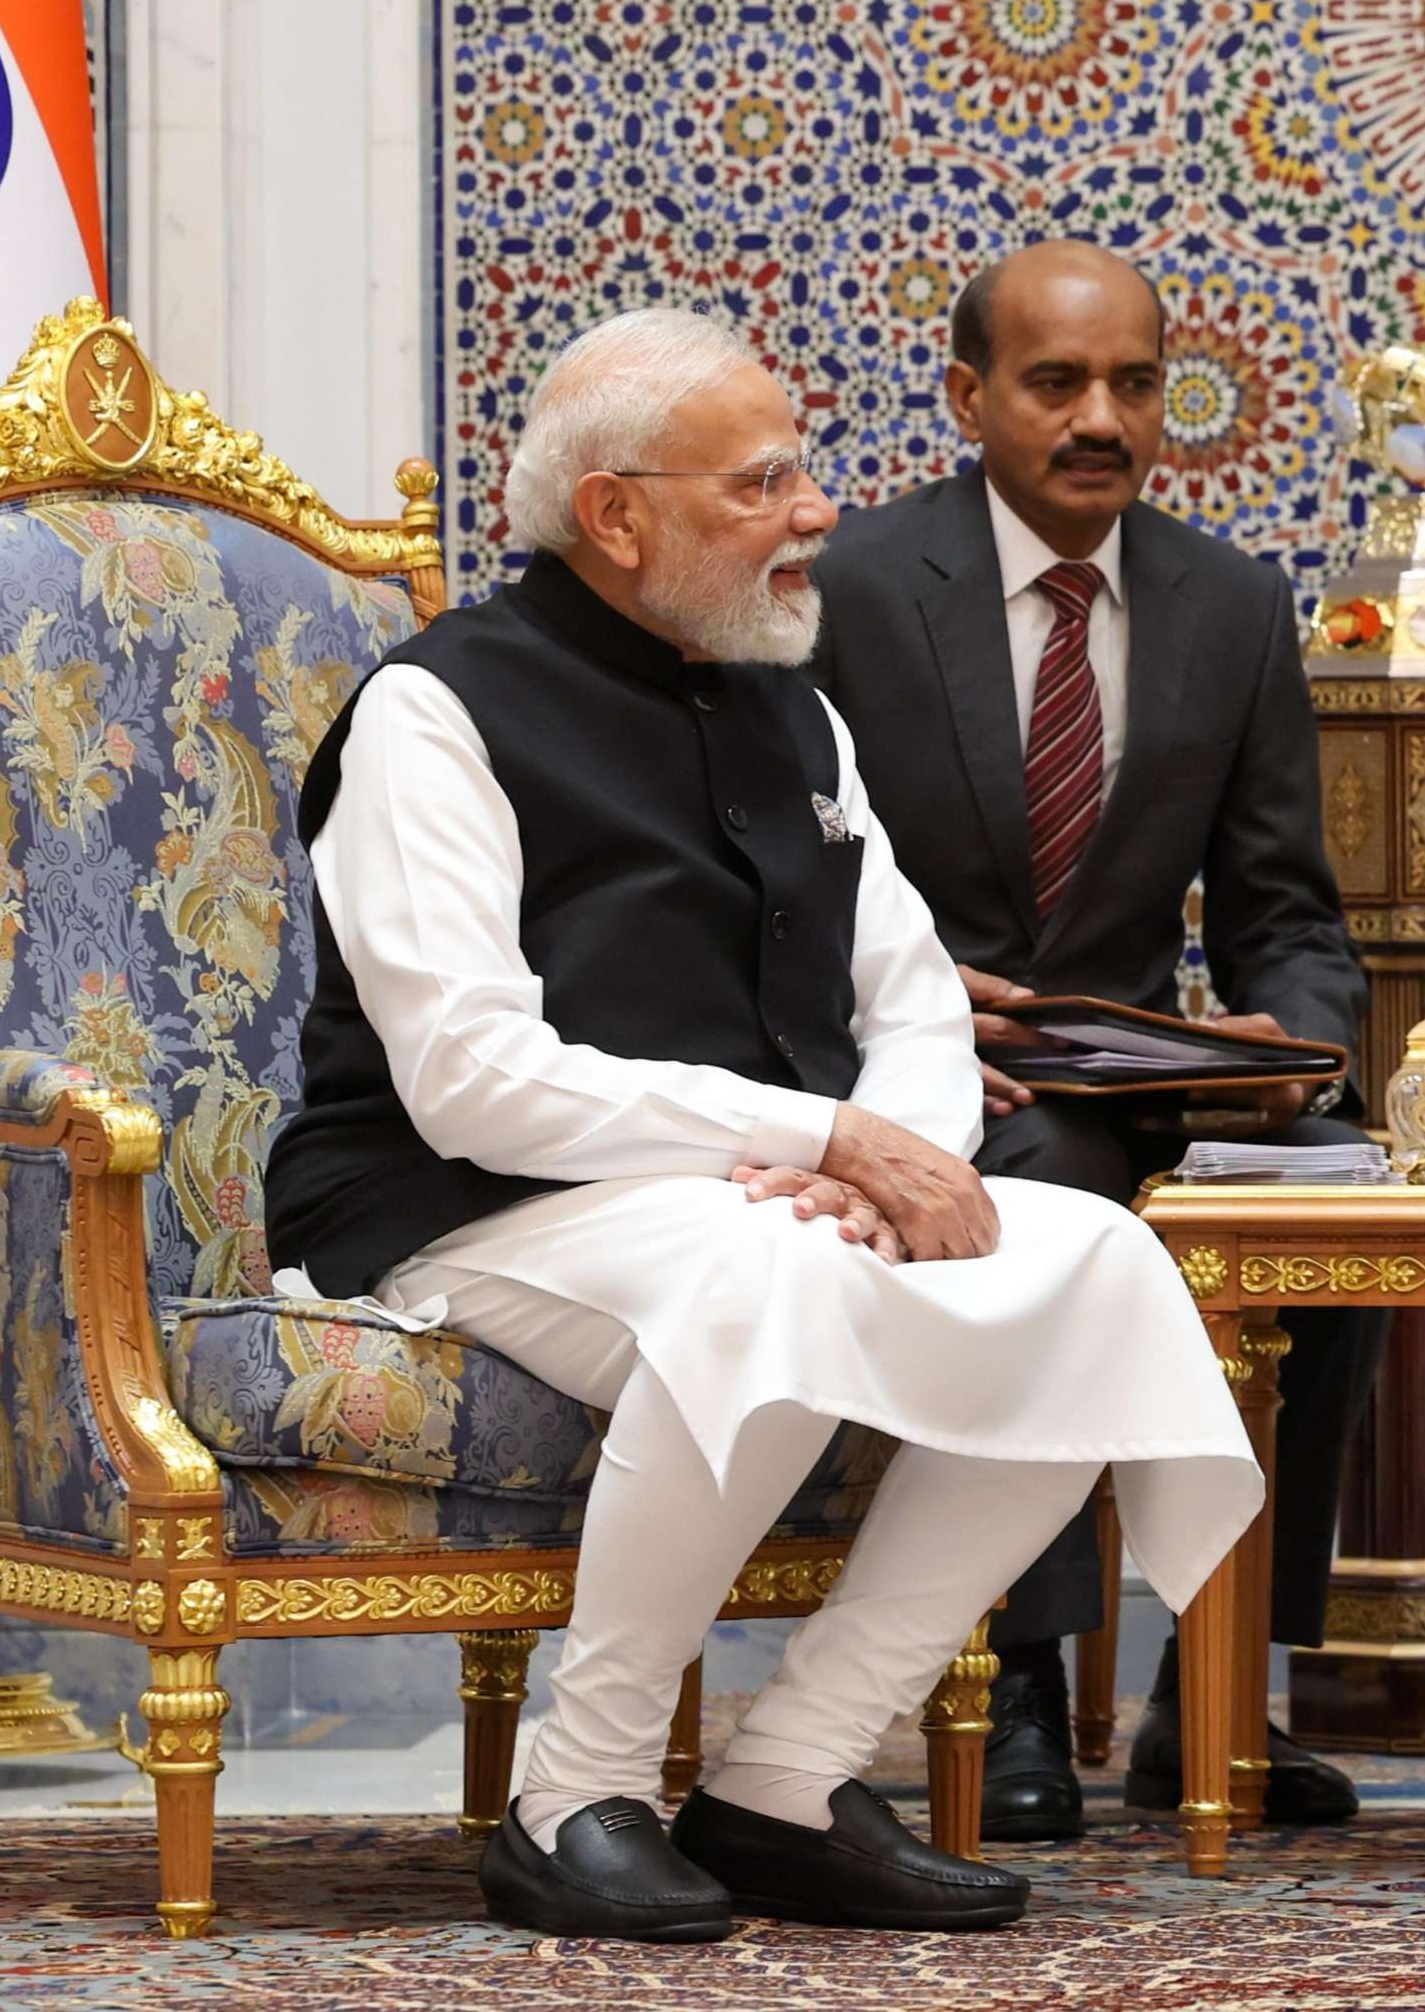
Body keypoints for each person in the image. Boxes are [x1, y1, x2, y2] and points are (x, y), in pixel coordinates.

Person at [260, 309, 1259, 1943]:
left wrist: (892, 1167)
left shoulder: (792, 704)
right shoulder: (434, 713)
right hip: (455, 1207)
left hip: (751, 1204)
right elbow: (471, 1076)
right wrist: (824, 1144)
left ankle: (792, 1772)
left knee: (1095, 1264)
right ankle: (574, 1792)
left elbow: (912, 994)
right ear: (616, 514)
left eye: (803, 472)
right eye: (764, 481)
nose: (816, 511)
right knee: (766, 1272)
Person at [812, 241, 1375, 1841]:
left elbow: (1286, 909)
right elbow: (773, 876)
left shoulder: (1231, 604)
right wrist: (905, 1013)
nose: (1101, 420)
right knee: (1044, 1182)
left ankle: (1222, 1679)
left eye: (1135, 383)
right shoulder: (851, 588)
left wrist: (1292, 1048)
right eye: (1056, 383)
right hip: (937, 1075)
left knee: (1339, 1190)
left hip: (1151, 1072)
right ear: (968, 395)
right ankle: (1020, 1682)